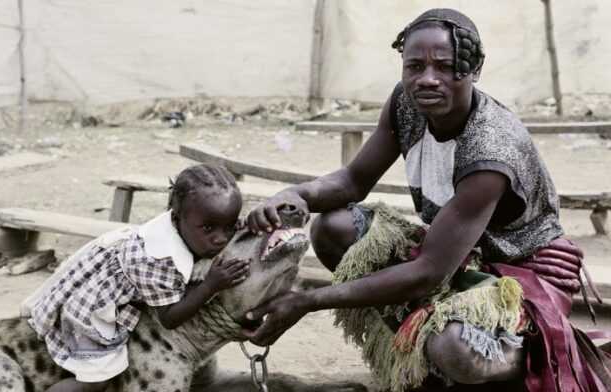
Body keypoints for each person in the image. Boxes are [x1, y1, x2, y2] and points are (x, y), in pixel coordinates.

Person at [245, 8, 608, 391]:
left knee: (455, 347)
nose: (427, 79)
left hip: (518, 274)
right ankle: (418, 351)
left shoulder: (492, 149)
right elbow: (353, 180)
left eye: (445, 66)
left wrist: (308, 301)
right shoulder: (407, 104)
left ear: (474, 68)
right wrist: (295, 195)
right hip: (455, 254)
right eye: (414, 66)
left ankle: (513, 356)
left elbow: (429, 271)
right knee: (334, 227)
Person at [21, 164, 250, 392]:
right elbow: (169, 318)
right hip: (91, 313)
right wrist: (210, 285)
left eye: (229, 226)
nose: (221, 239)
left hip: (112, 289)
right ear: (177, 212)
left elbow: (226, 228)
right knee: (94, 381)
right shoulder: (158, 259)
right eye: (209, 228)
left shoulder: (186, 222)